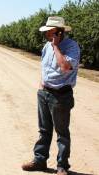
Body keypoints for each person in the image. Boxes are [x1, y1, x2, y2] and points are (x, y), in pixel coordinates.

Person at [22, 16, 80, 175]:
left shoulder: (71, 47)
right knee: (44, 130)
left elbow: (65, 67)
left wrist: (56, 47)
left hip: (61, 95)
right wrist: (41, 86)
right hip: (44, 93)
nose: (47, 35)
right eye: (47, 32)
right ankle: (39, 161)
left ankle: (62, 166)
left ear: (60, 32)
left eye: (51, 32)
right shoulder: (47, 46)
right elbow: (45, 67)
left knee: (62, 133)